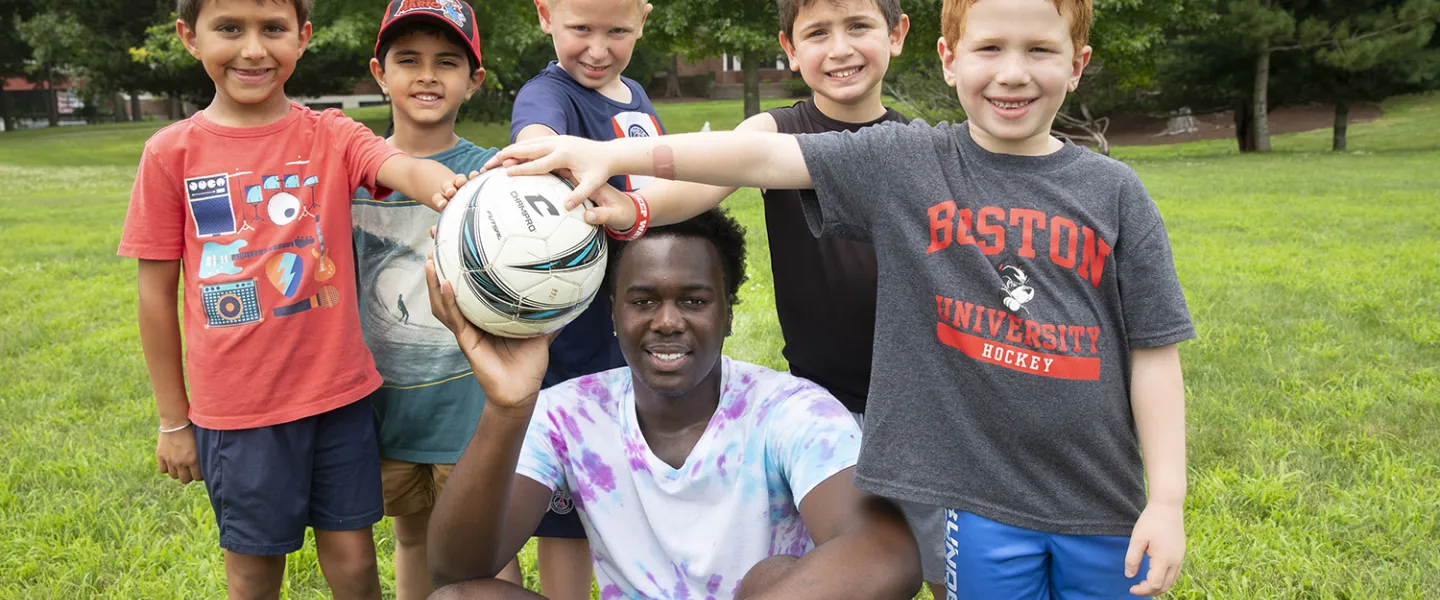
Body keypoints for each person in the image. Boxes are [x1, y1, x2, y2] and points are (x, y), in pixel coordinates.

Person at [489, 0, 1195, 597]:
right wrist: (621, 174)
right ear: (951, 61)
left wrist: (1166, 500)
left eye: (1039, 49)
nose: (1013, 71)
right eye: (991, 49)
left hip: (1027, 458)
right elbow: (746, 158)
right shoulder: (893, 156)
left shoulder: (1076, 186)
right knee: (865, 561)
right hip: (889, 439)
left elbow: (1153, 350)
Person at [118, 0, 467, 597]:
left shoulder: (329, 133)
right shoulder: (170, 153)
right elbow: (155, 297)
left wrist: (455, 190)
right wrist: (173, 421)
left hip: (341, 400)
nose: (254, 49)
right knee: (254, 570)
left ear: (302, 37)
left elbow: (400, 166)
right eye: (229, 28)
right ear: (189, 37)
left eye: (273, 29)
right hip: (238, 412)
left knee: (355, 563)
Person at [423, 209, 921, 599]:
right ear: (613, 313)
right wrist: (507, 409)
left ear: (728, 313)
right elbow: (456, 571)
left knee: (772, 574)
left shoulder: (790, 410)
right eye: (642, 301)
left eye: (694, 300)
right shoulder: (566, 415)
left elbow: (886, 554)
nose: (666, 321)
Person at [350, 2, 521, 598]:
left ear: (474, 81)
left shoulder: (492, 180)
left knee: (484, 549)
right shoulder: (349, 173)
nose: (427, 75)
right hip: (387, 408)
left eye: (447, 62)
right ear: (379, 72)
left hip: (468, 411)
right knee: (414, 538)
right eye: (409, 60)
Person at [504, 0, 665, 594]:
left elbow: (653, 189)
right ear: (545, 14)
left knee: (637, 494)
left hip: (637, 330)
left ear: (643, 20)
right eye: (581, 29)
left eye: (617, 31)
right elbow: (538, 137)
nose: (598, 49)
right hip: (572, 338)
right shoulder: (547, 96)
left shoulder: (638, 99)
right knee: (565, 518)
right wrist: (553, 152)